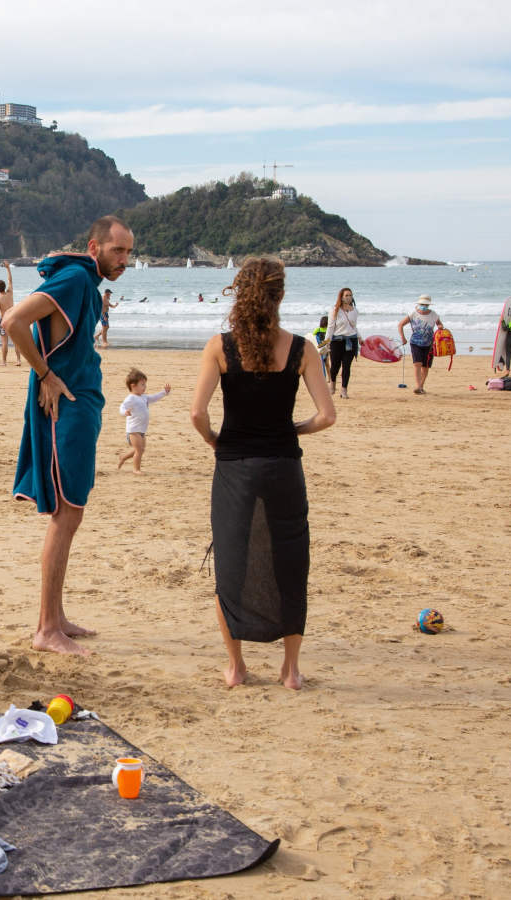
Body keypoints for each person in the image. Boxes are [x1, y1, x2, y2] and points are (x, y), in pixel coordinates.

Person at [189, 257, 335, 689]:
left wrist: (217, 439)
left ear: (239, 294)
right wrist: (293, 429)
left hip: (234, 465)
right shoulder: (302, 348)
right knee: (291, 559)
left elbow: (196, 413)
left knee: (232, 561)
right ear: (280, 296)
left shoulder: (220, 346)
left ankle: (236, 667)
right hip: (284, 464)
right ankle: (289, 670)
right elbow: (326, 416)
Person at [5, 215, 134, 655]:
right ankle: (45, 630)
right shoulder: (77, 279)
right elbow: (14, 321)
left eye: (129, 252)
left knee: (70, 514)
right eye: (118, 251)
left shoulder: (85, 282)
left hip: (80, 406)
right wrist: (45, 375)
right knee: (66, 516)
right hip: (68, 411)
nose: (125, 260)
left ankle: (56, 617)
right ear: (95, 247)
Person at [116, 368, 170, 474]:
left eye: (145, 384)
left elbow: (154, 397)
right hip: (133, 431)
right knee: (139, 450)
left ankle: (123, 457)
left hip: (142, 431)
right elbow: (122, 406)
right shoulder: (130, 398)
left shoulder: (144, 397)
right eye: (142, 384)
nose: (145, 387)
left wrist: (164, 392)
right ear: (133, 385)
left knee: (140, 449)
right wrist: (124, 412)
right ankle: (136, 469)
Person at [397, 294, 442, 395]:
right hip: (415, 343)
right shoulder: (413, 314)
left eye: (426, 304)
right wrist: (403, 338)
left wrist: (440, 326)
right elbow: (400, 325)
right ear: (419, 304)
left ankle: (421, 386)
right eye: (422, 304)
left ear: (429, 305)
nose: (424, 306)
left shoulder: (433, 314)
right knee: (417, 364)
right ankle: (418, 386)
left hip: (429, 344)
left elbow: (439, 323)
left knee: (425, 367)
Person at [327, 287, 360, 399]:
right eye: (346, 295)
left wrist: (360, 338)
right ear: (341, 297)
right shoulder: (334, 310)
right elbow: (330, 327)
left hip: (351, 341)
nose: (349, 297)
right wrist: (327, 342)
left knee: (346, 366)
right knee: (335, 366)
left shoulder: (355, 311)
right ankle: (332, 384)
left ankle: (344, 390)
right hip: (337, 341)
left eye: (350, 295)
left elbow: (354, 327)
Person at [0, 262, 21, 366]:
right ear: (4, 287)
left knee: (4, 342)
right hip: (13, 319)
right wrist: (8, 268)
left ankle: (4, 361)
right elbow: (10, 280)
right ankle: (18, 360)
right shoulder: (10, 292)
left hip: (4, 320)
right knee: (16, 341)